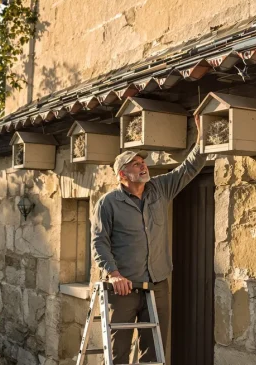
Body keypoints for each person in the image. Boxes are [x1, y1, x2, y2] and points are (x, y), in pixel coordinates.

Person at [93, 117, 207, 362]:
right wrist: (113, 274)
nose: (143, 166)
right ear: (122, 174)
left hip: (158, 285)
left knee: (154, 352)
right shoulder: (108, 203)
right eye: (135, 164)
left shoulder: (160, 189)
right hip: (123, 288)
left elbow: (188, 168)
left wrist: (203, 137)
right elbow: (99, 242)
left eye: (143, 162)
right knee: (118, 353)